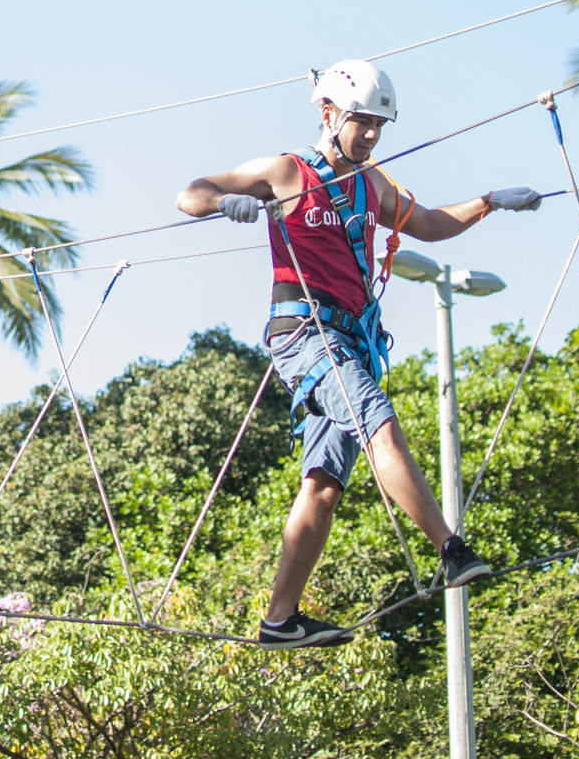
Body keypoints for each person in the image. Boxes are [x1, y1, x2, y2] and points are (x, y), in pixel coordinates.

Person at [176, 60, 543, 649]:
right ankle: (450, 548)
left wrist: (489, 202)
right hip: (304, 331)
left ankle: (279, 621)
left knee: (323, 484)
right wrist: (226, 204)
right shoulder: (287, 171)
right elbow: (189, 193)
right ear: (329, 114)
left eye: (378, 125)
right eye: (362, 122)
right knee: (379, 422)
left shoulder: (370, 183)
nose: (371, 135)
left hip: (353, 339)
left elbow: (424, 223)